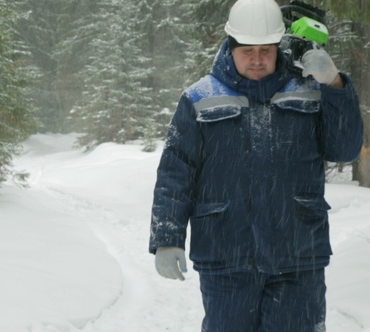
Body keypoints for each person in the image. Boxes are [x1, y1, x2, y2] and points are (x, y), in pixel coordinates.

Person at [149, 0, 364, 331]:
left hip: (298, 257)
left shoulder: (310, 90)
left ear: (280, 46)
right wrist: (167, 237)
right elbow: (176, 173)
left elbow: (346, 149)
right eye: (247, 50)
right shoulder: (199, 98)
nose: (258, 59)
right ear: (230, 46)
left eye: (267, 49)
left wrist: (334, 85)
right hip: (226, 260)